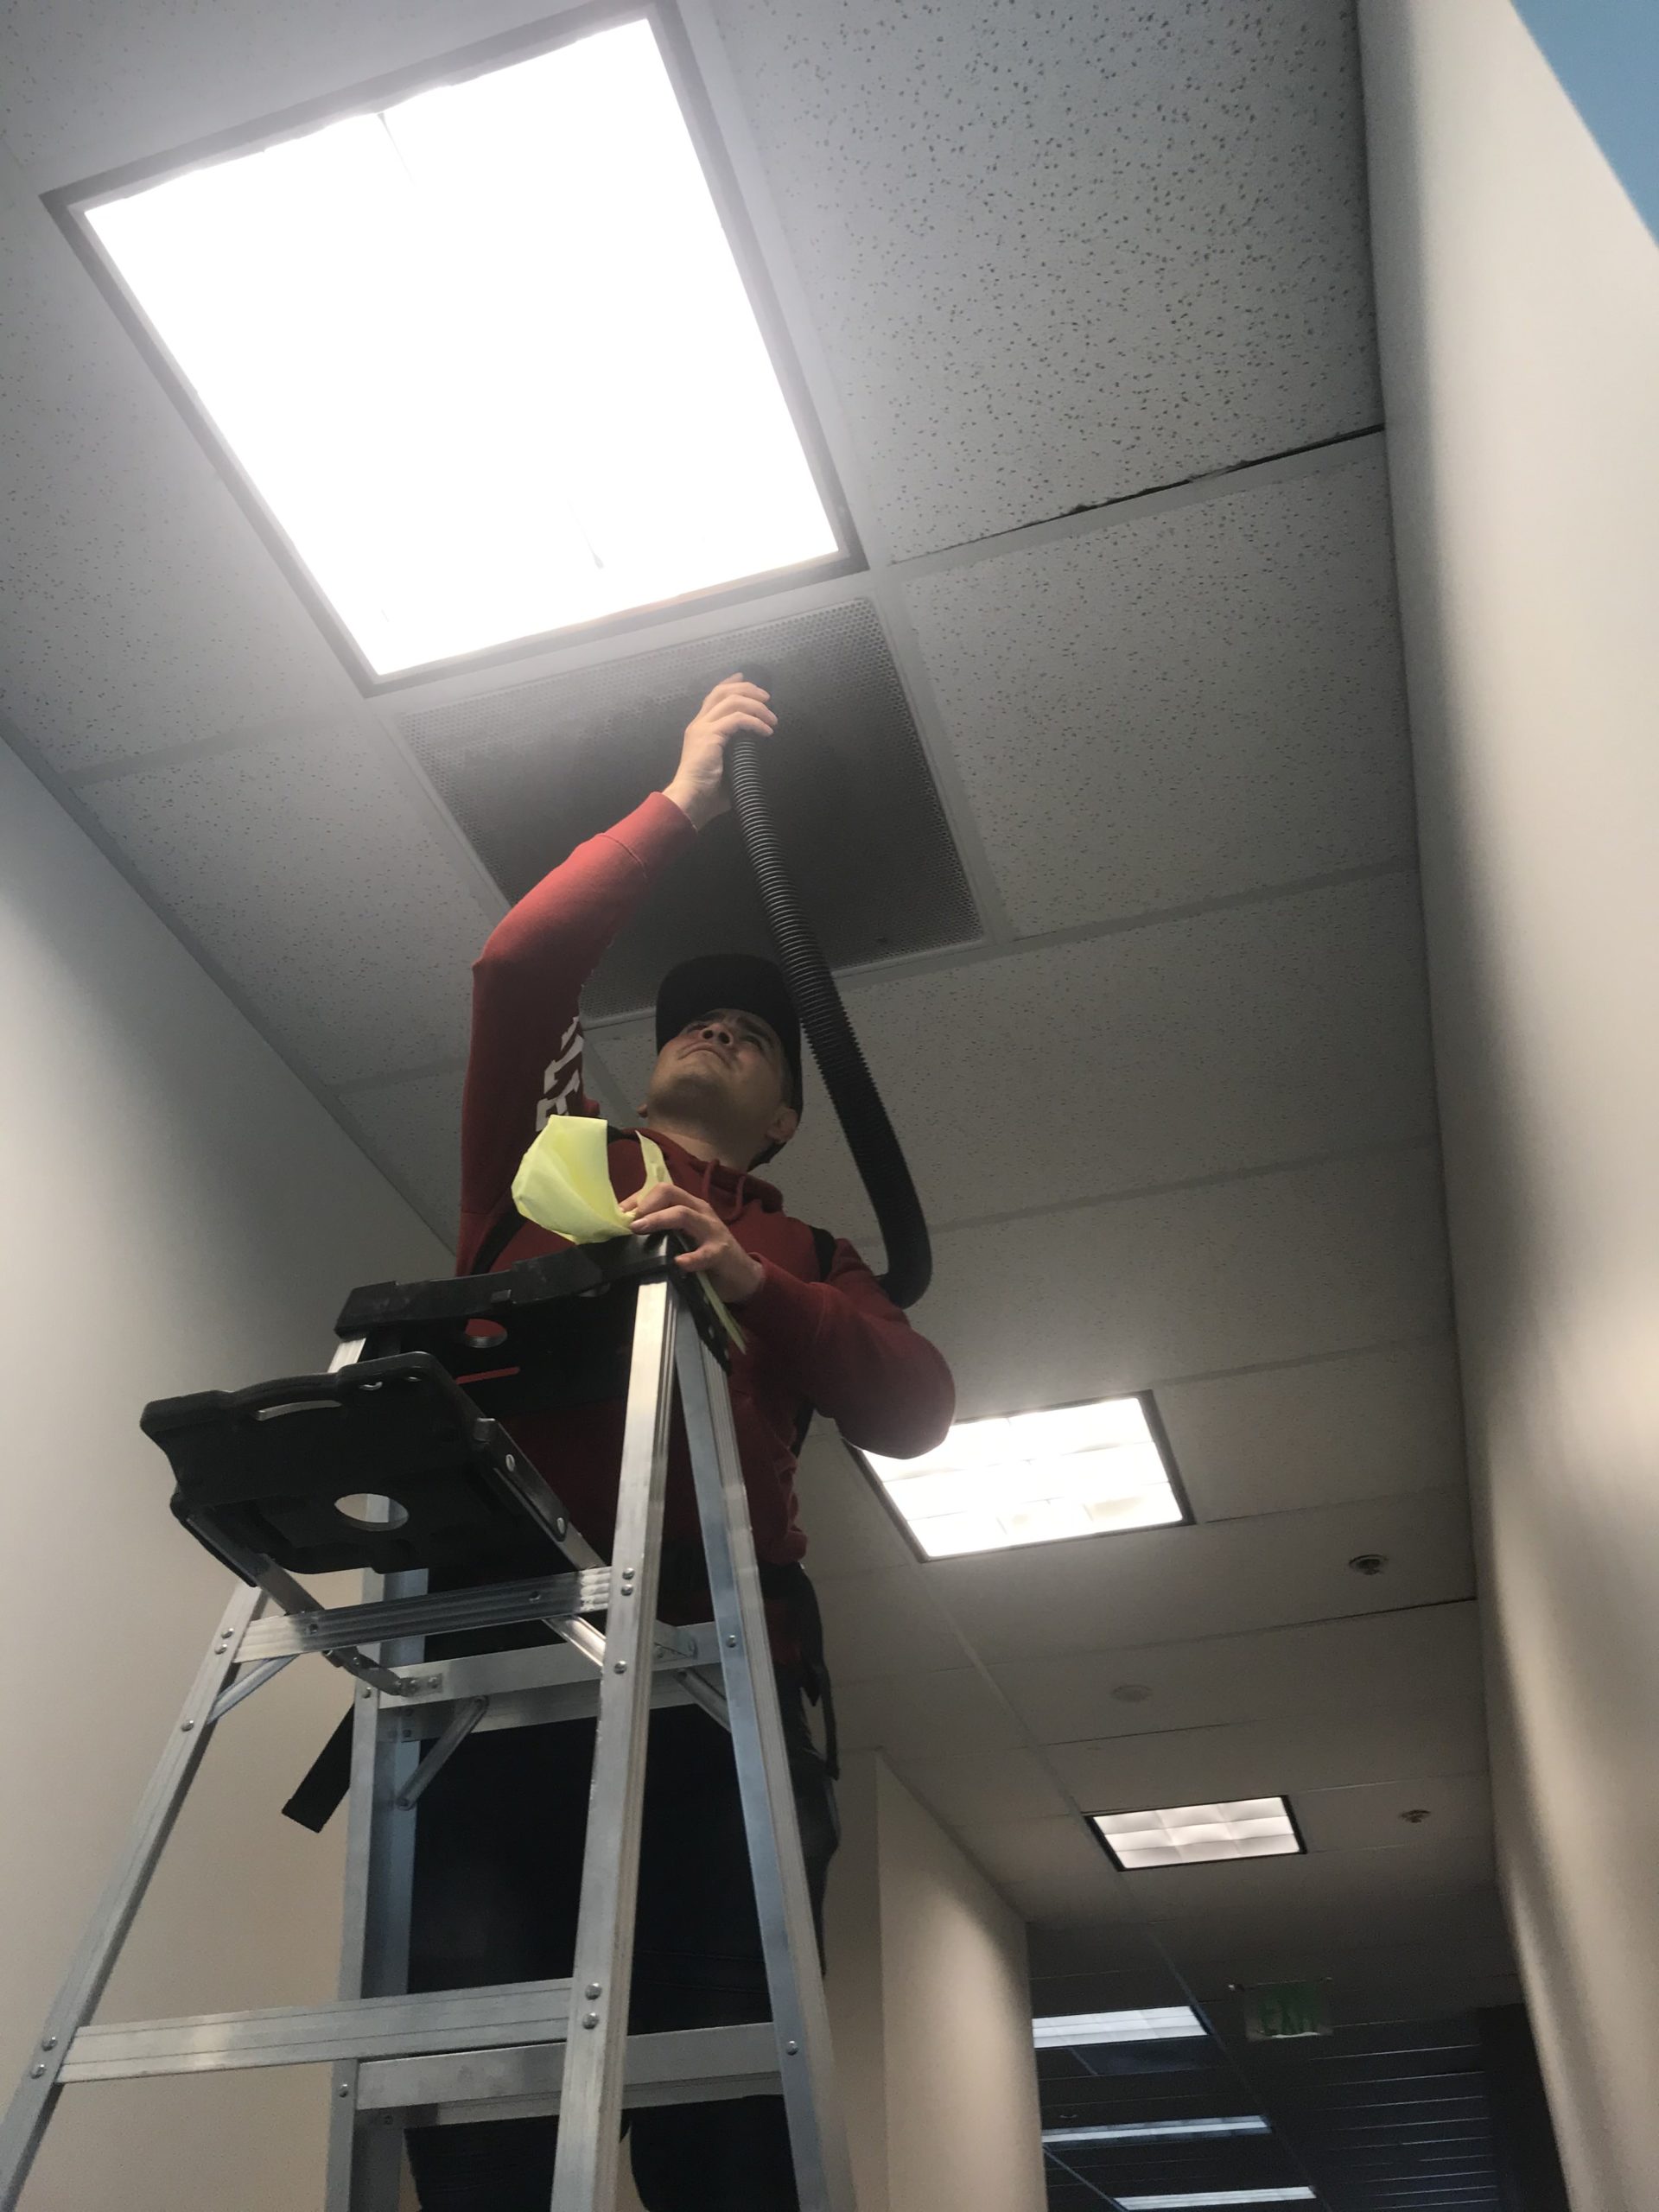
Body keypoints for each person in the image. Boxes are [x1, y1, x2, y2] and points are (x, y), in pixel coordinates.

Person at [405, 676, 955, 2212]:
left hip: (718, 1691)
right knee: (483, 2113)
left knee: (723, 2112)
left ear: (783, 1116)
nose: (725, 1021)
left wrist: (739, 1272)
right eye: (698, 1012)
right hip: (496, 1680)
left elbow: (916, 1409)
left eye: (761, 1035)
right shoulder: (549, 1156)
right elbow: (516, 965)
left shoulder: (810, 1251)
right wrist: (684, 801)